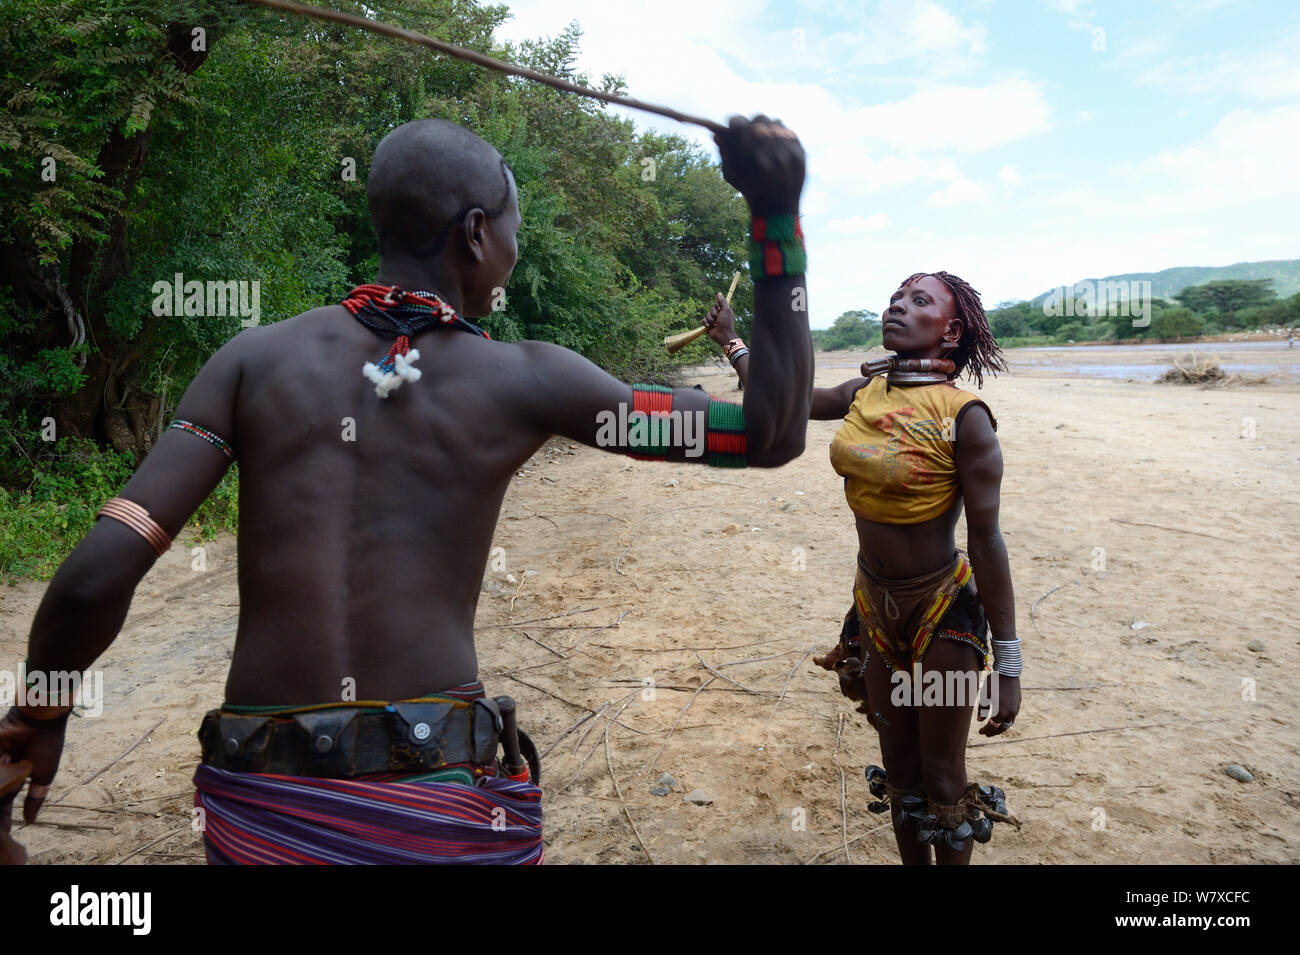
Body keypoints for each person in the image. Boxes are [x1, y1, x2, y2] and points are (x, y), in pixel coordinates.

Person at [0, 114, 814, 865]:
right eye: (514, 232)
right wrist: (776, 217)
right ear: (474, 233)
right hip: (438, 811)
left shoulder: (250, 362)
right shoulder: (526, 381)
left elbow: (98, 573)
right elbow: (770, 432)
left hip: (263, 810)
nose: (516, 251)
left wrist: (38, 711)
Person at [701, 273, 1022, 865]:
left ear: (950, 330)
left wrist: (1007, 660)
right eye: (896, 298)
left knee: (944, 780)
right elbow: (781, 400)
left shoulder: (965, 417)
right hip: (875, 606)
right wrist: (732, 342)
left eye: (918, 301)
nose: (898, 306)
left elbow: (988, 540)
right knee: (900, 772)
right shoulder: (864, 393)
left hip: (942, 611)